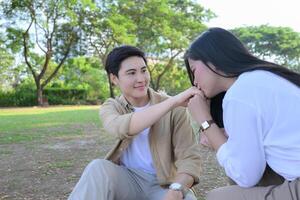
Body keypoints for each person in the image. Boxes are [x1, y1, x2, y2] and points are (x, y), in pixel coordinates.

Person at [68, 45, 202, 200]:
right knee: (97, 168)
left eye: (144, 70)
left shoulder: (175, 109)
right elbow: (123, 127)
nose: (141, 79)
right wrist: (173, 101)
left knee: (187, 198)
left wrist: (177, 189)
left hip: (163, 185)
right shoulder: (112, 107)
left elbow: (189, 158)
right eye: (131, 73)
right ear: (114, 78)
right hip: (127, 180)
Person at [184, 27, 300, 200]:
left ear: (212, 60)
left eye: (194, 70)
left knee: (217, 197)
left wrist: (205, 121)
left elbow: (245, 176)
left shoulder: (239, 94)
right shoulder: (263, 77)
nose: (195, 82)